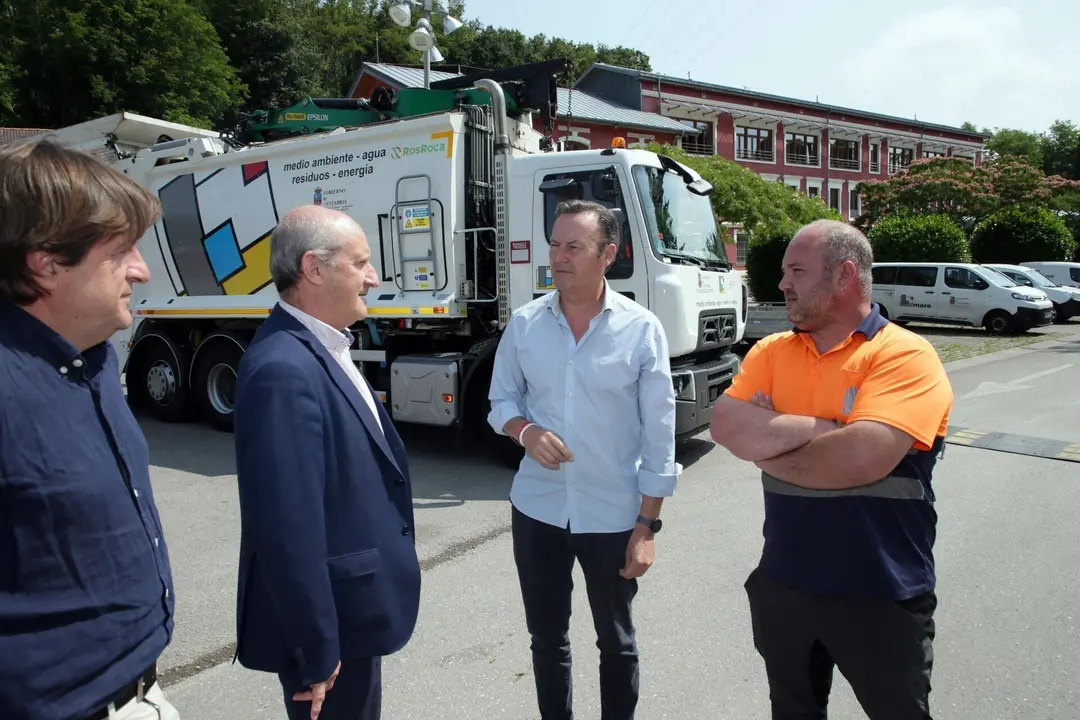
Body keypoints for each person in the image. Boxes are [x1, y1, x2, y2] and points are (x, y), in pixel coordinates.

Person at [710, 219, 953, 720]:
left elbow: (862, 457)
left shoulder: (905, 355)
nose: (782, 284)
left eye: (797, 270)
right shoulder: (772, 351)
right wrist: (829, 427)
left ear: (844, 276)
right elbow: (727, 426)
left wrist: (769, 443)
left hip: (881, 592)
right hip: (785, 584)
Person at [0, 138, 180, 719]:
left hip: (142, 692)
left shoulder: (94, 356)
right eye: (121, 250)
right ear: (46, 262)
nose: (142, 270)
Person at [488, 199, 681, 720]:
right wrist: (524, 430)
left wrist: (647, 526)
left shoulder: (641, 330)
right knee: (546, 640)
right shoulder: (525, 324)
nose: (558, 256)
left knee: (616, 642)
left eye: (573, 246)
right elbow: (500, 402)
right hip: (538, 511)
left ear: (608, 254)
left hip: (611, 514)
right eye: (554, 243)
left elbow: (661, 435)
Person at [233, 205, 421, 720]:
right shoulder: (283, 370)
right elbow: (285, 529)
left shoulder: (322, 347)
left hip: (350, 617)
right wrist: (316, 648)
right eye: (360, 263)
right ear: (313, 269)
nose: (374, 277)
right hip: (329, 631)